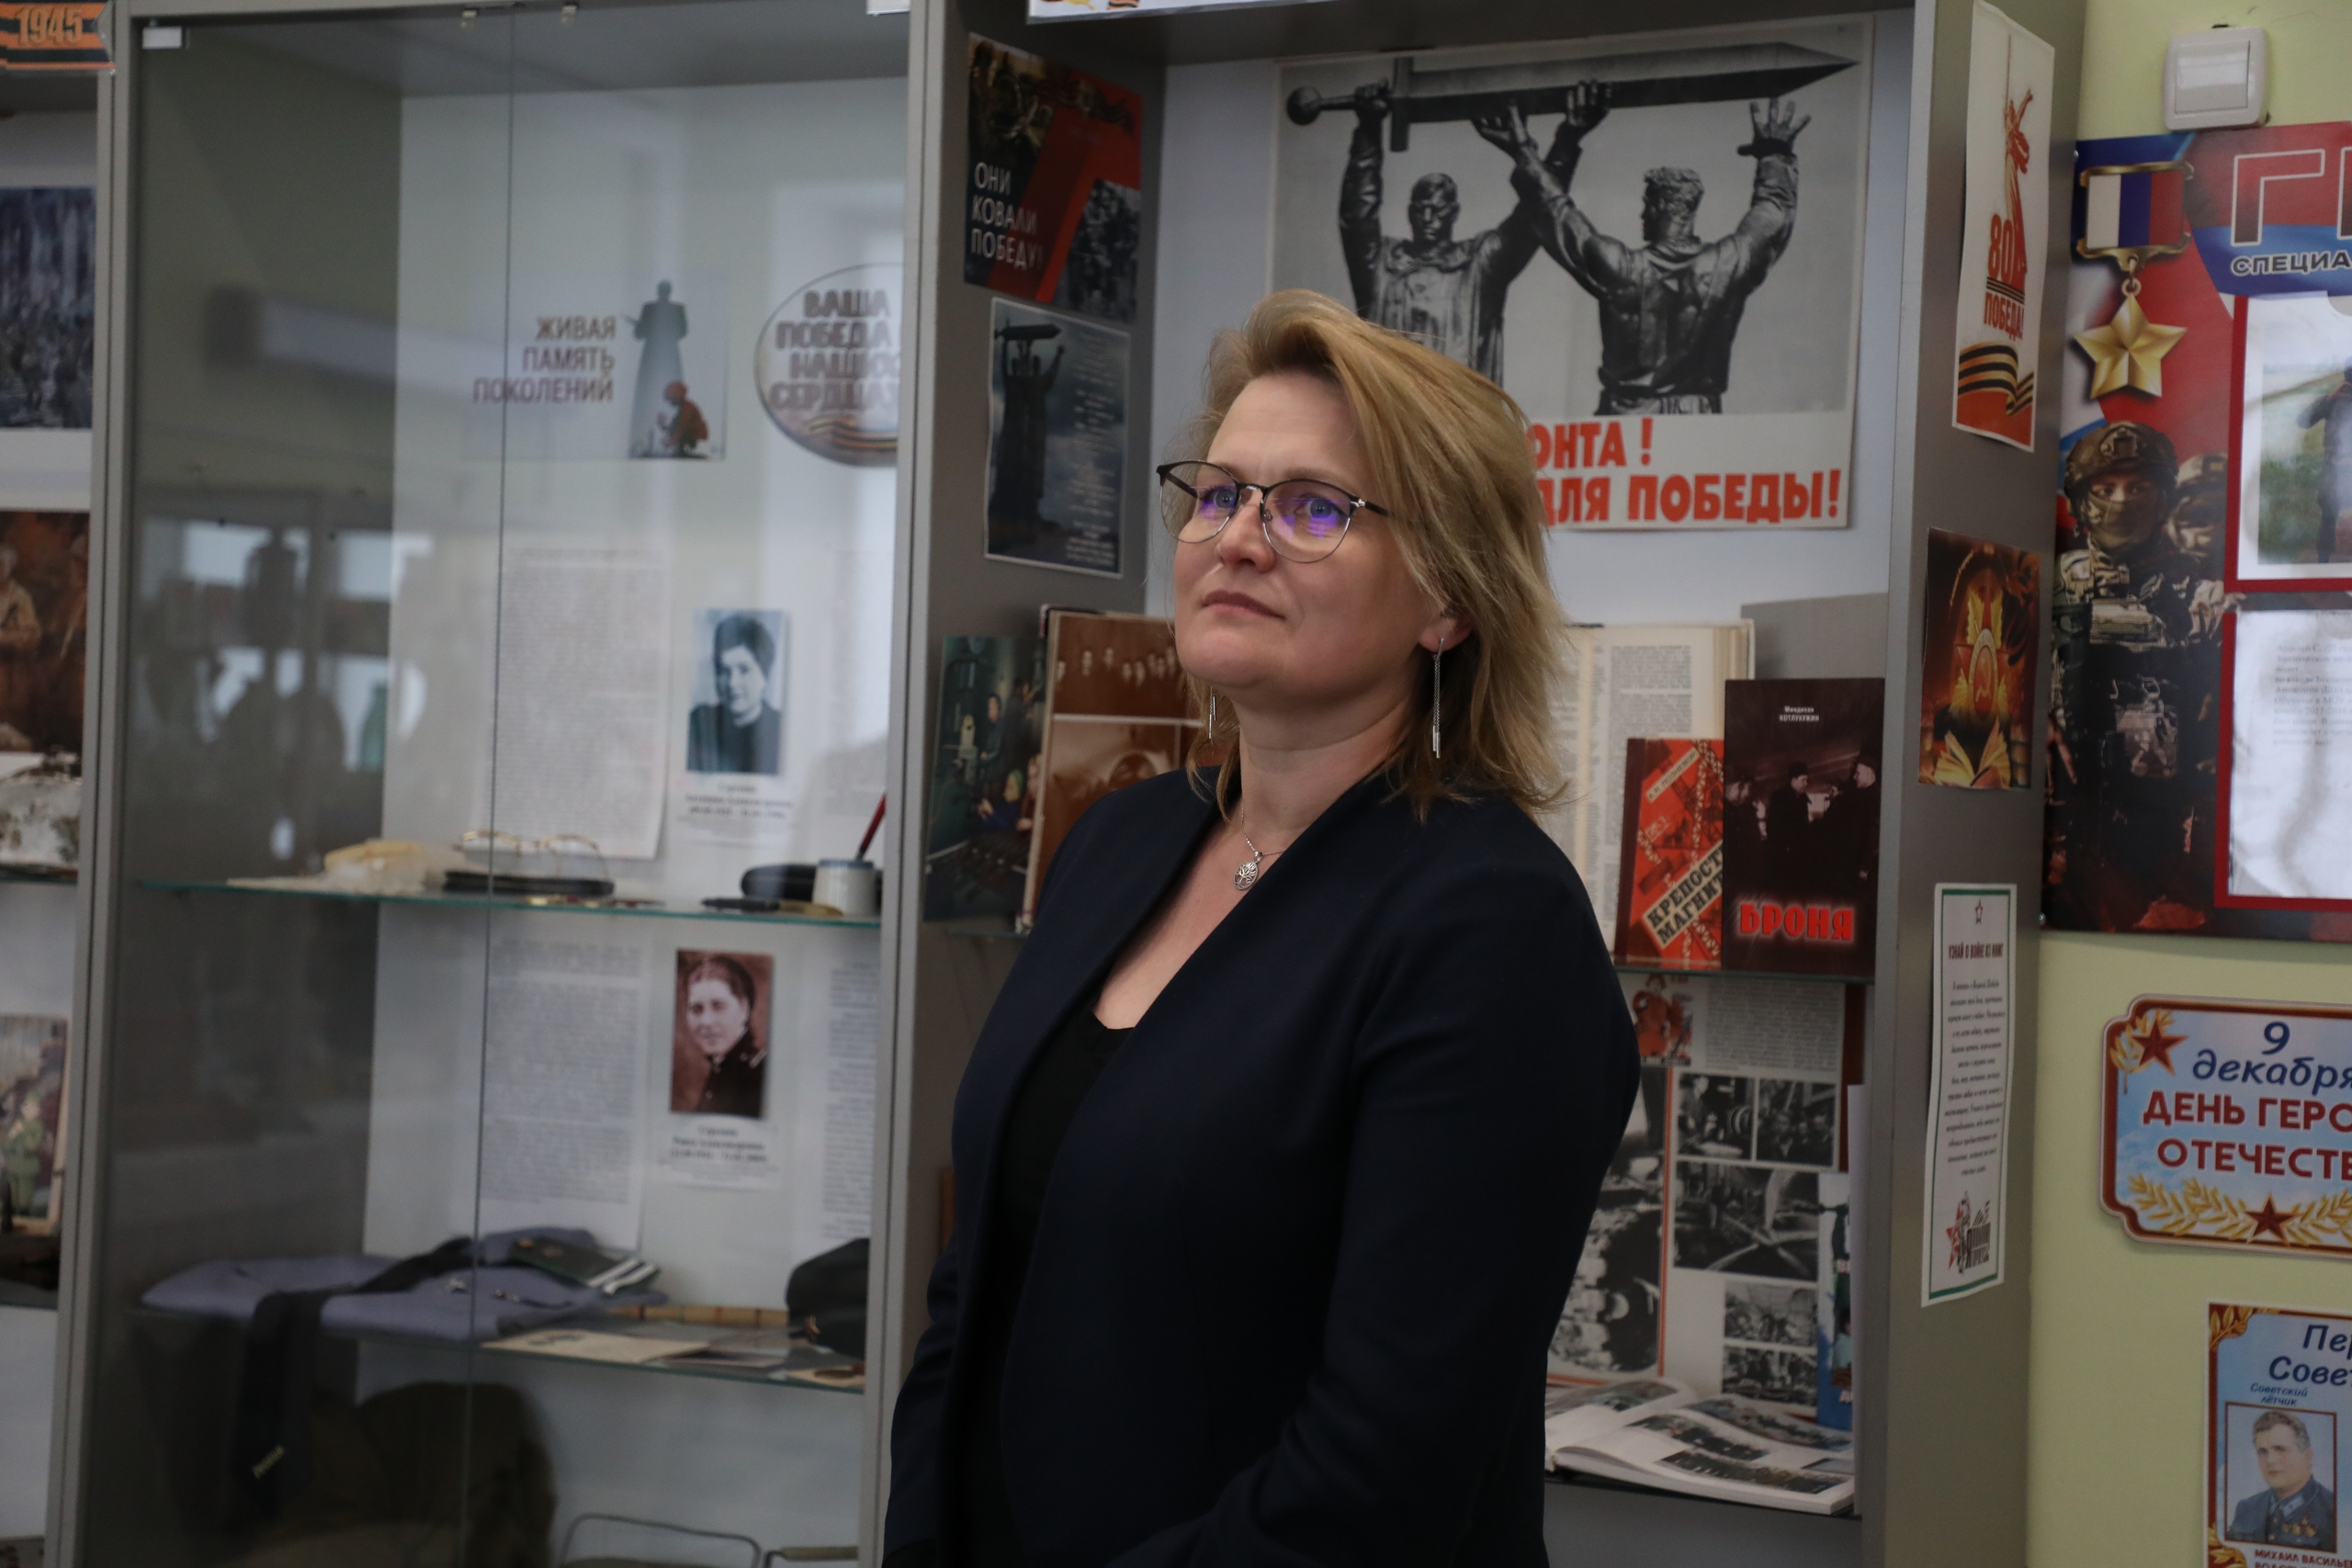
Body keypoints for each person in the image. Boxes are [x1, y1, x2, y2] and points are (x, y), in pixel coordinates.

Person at [884, 290, 1637, 1568]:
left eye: (1312, 509)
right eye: (1221, 493)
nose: (1236, 538)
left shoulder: (1489, 926)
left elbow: (1384, 1473)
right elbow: (975, 1290)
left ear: (1449, 601)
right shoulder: (1119, 841)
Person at [1476, 88, 1804, 414]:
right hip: (1697, 420)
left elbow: (1554, 210)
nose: (1642, 214)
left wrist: (1524, 150)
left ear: (1658, 205)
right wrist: (1774, 155)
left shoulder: (1619, 268)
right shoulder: (1726, 264)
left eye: (1646, 205)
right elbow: (1773, 215)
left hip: (1626, 418)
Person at [2046, 421, 2226, 931]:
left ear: (2163, 498)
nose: (2121, 502)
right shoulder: (2045, 581)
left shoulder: (2203, 596)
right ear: (2081, 504)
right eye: (2104, 489)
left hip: (2161, 842)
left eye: (2138, 487)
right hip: (2058, 832)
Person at [1338, 88, 1542, 380]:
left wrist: (1525, 151)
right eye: (1420, 210)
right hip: (1391, 407)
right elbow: (1357, 216)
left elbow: (1537, 215)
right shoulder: (1380, 264)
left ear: (1454, 213)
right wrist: (1368, 133)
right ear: (1410, 213)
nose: (1428, 219)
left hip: (1458, 408)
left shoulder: (1479, 265)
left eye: (1438, 210)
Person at [685, 615, 784, 775]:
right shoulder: (697, 722)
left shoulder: (782, 730)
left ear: (765, 677)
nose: (732, 683)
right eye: (724, 671)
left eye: (744, 670)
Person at [2230, 1409, 2337, 1551]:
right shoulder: (2246, 1508)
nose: (2270, 1460)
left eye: (2280, 1449)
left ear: (2307, 1457)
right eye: (2263, 1452)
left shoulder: (2333, 1510)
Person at [679, 954, 765, 1118]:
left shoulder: (759, 1077)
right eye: (696, 1009)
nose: (706, 1022)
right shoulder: (721, 1069)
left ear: (744, 1008)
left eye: (718, 1006)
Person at [2298, 363, 2352, 565]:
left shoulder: (2333, 400)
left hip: (2333, 469)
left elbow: (2302, 421)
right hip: (2337, 469)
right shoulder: (2335, 400)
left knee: (2328, 518)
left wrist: (2329, 397)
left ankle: (2323, 564)